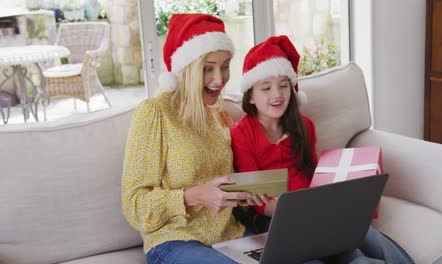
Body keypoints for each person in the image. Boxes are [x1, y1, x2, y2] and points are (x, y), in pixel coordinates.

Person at [230, 35, 414, 264]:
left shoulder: (304, 125)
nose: (277, 95)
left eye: (284, 86)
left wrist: (334, 203)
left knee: (364, 237)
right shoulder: (240, 133)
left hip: (315, 208)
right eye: (266, 88)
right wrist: (300, 214)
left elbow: (316, 175)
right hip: (275, 217)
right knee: (345, 254)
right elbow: (255, 198)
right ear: (251, 96)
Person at [121, 14, 253, 264]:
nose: (220, 79)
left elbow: (223, 185)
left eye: (225, 66)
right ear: (186, 70)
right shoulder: (156, 112)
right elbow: (133, 204)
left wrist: (247, 196)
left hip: (230, 236)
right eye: (208, 68)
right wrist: (192, 196)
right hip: (174, 240)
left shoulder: (218, 115)